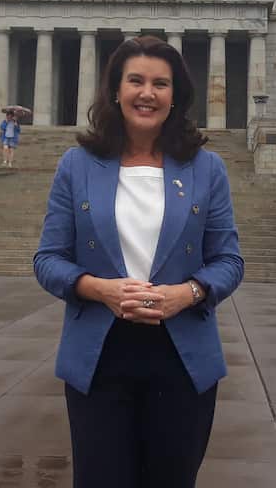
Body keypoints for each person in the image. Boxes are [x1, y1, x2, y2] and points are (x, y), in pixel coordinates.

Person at [34, 36, 244, 488]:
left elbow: (229, 260)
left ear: (175, 96)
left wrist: (187, 293)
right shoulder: (77, 165)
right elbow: (48, 259)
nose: (147, 93)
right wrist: (98, 288)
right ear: (115, 90)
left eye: (160, 84)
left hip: (182, 358)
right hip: (100, 358)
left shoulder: (207, 169)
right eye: (136, 81)